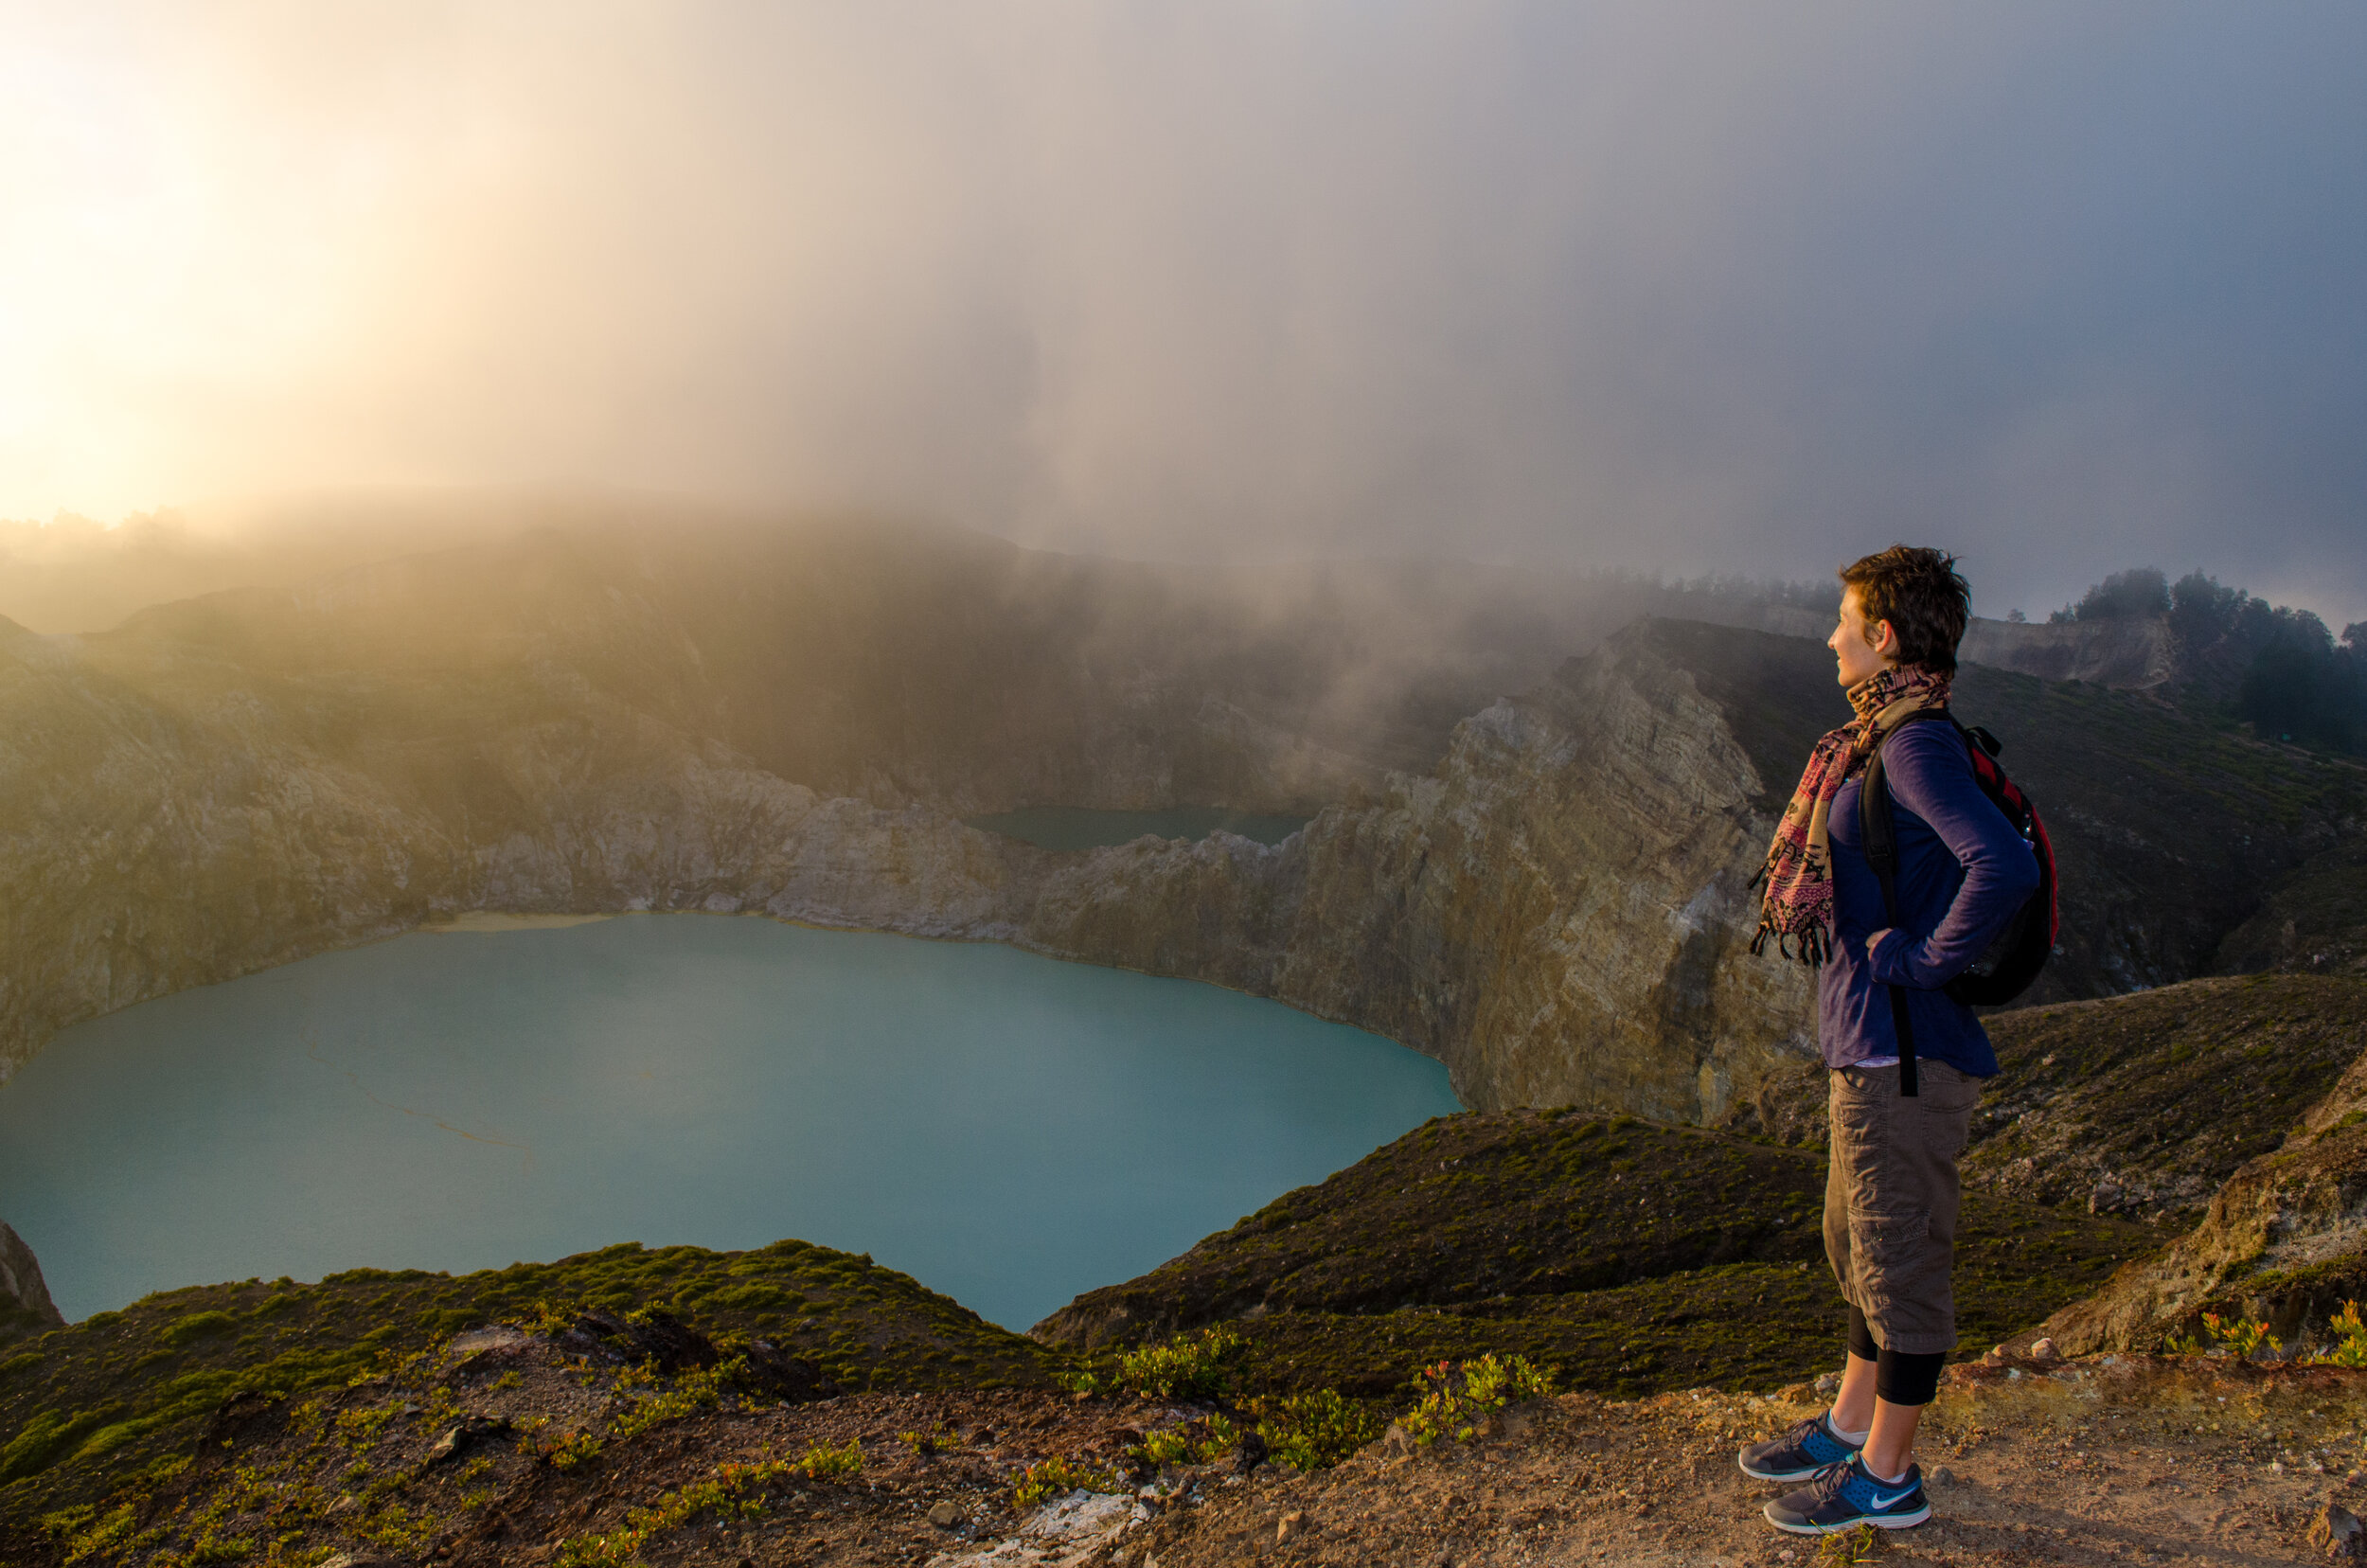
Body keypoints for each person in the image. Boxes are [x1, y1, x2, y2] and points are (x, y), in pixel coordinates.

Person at [1735, 545, 2040, 1536]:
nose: (1830, 637)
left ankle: (1887, 1478)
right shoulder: (1876, 739)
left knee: (1899, 1265)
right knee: (1856, 1245)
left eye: (1845, 620)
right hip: (1869, 1050)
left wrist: (1919, 961)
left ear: (1886, 637)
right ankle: (1849, 1421)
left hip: (1900, 1056)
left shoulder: (1911, 746)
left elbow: (2000, 865)